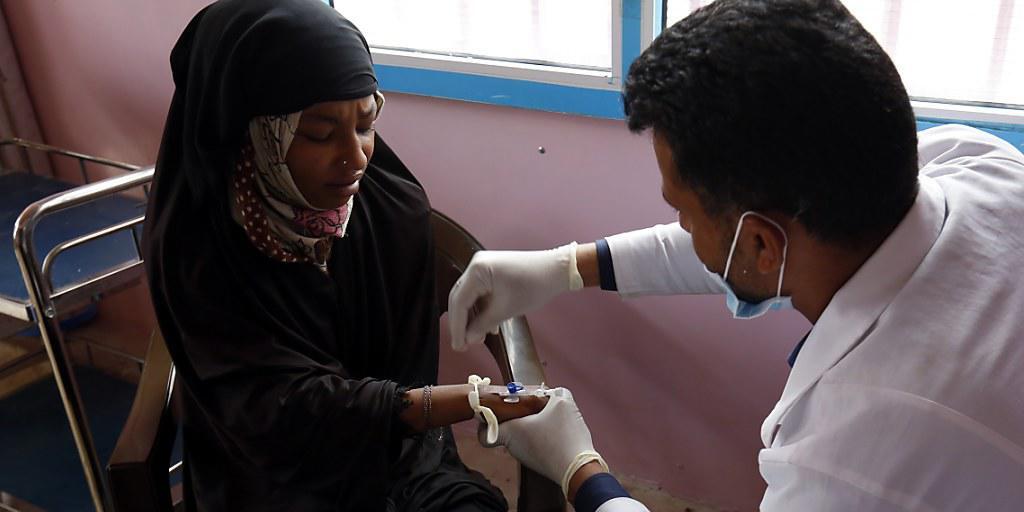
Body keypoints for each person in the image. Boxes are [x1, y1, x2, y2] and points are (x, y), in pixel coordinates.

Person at [448, 0, 1024, 510]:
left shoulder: (853, 461)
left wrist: (580, 471)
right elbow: (747, 244)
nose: (681, 228)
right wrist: (567, 267)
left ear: (761, 245)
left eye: (683, 212)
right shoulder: (979, 164)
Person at [142, 1, 543, 510]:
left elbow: (408, 408)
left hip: (397, 455)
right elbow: (272, 414)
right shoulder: (201, 246)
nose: (356, 158)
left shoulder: (390, 211)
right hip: (269, 473)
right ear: (257, 132)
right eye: (320, 133)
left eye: (366, 123)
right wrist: (464, 400)